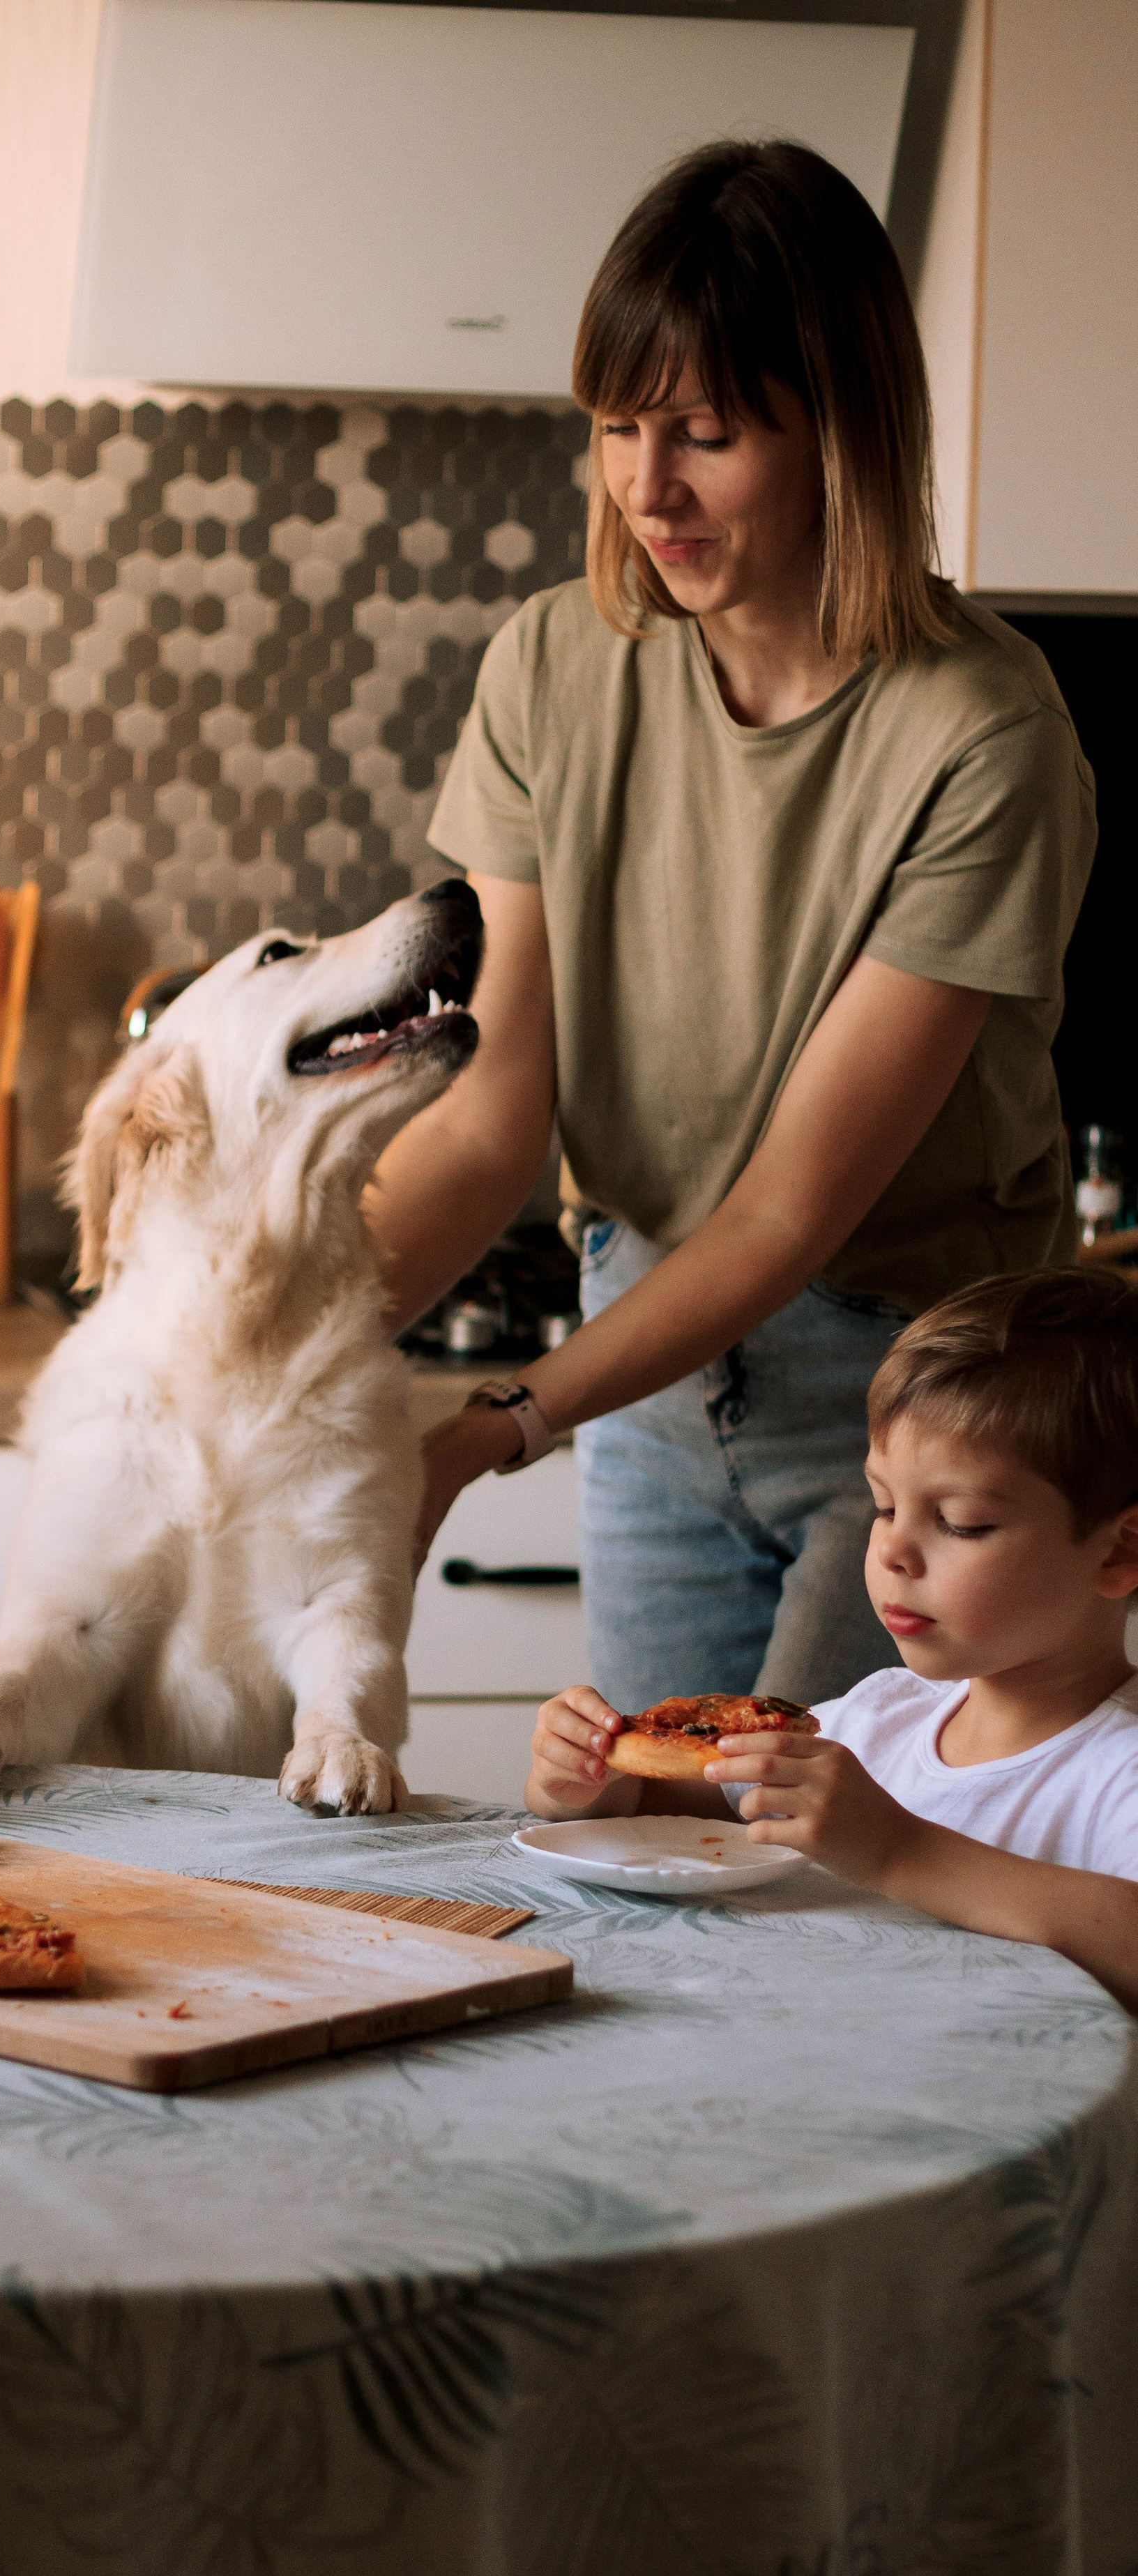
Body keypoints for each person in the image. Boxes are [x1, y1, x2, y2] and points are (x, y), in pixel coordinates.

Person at [372, 139, 1096, 1713]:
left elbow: (785, 1218)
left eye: (702, 433)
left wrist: (487, 1427)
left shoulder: (982, 736)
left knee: (828, 1881)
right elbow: (494, 1117)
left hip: (917, 1408)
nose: (647, 489)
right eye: (618, 430)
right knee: (657, 1863)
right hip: (640, 1364)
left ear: (840, 427)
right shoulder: (551, 670)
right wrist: (261, 1335)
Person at [528, 1270, 1138, 2014]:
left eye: (961, 1522)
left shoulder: (1120, 1770)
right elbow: (677, 1814)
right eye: (884, 1505)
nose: (893, 1552)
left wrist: (898, 1851)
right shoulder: (877, 1718)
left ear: (1118, 1552)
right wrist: (596, 1781)